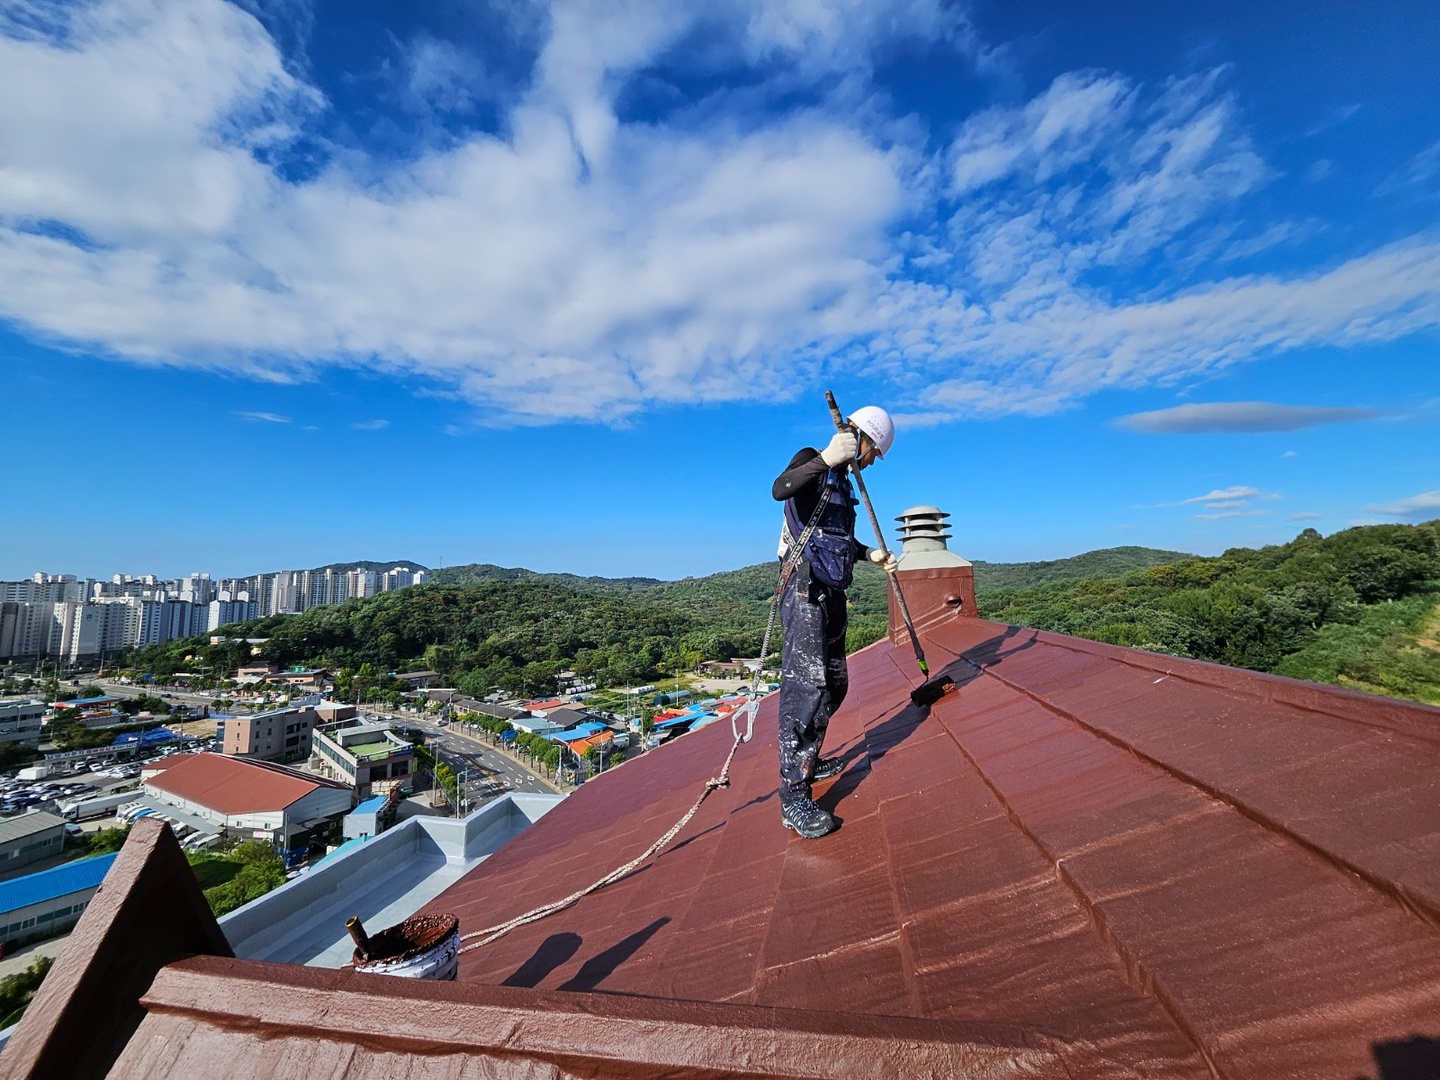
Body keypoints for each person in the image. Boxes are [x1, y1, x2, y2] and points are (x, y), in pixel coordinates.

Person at [770, 406, 896, 839]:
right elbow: (779, 489)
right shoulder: (813, 460)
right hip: (803, 591)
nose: (872, 461)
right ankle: (794, 796)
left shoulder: (842, 483)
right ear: (861, 438)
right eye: (873, 452)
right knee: (807, 690)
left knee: (835, 683)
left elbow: (837, 540)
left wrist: (868, 555)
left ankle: (811, 753)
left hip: (831, 593)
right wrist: (825, 458)